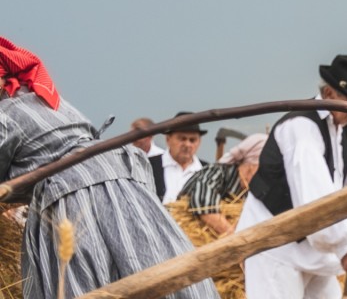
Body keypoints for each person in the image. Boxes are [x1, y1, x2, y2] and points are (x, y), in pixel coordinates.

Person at [0, 36, 219, 299]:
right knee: (151, 259)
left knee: (84, 277)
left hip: (75, 194)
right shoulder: (41, 95)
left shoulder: (5, 114)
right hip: (124, 183)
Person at [236, 55, 347, 299]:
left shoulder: (343, 128)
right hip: (275, 244)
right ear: (329, 93)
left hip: (313, 246)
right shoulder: (302, 128)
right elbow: (315, 194)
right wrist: (344, 248)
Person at [175, 133, 267, 236]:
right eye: (263, 170)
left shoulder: (253, 192)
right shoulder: (218, 171)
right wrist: (234, 236)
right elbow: (204, 204)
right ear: (249, 165)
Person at [150, 112, 208, 202]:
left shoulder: (207, 171)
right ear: (168, 139)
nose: (187, 144)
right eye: (182, 139)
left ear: (199, 142)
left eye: (192, 140)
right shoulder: (149, 166)